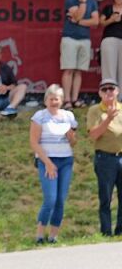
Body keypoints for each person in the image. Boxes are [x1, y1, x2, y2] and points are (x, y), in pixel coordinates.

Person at [29, 84, 77, 245]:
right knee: (50, 198)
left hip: (65, 160)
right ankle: (40, 234)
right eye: (51, 99)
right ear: (46, 100)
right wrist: (48, 163)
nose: (54, 102)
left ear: (61, 100)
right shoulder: (39, 116)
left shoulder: (68, 116)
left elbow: (74, 142)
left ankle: (54, 235)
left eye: (57, 99)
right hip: (46, 160)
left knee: (60, 200)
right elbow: (34, 142)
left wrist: (70, 134)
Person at [87, 77, 122, 236]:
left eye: (111, 88)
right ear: (100, 93)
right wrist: (108, 118)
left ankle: (120, 231)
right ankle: (106, 231)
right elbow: (93, 135)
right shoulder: (95, 110)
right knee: (105, 197)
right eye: (105, 89)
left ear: (117, 91)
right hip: (105, 159)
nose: (108, 92)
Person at [60, 0, 99, 109]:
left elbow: (95, 21)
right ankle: (67, 100)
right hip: (70, 37)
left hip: (85, 39)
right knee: (68, 69)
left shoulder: (93, 1)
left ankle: (75, 99)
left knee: (79, 70)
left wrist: (79, 22)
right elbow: (78, 14)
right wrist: (82, 2)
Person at [99, 0, 122, 87]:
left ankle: (120, 97)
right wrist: (111, 20)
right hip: (109, 39)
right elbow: (101, 22)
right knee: (109, 68)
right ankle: (109, 93)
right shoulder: (108, 8)